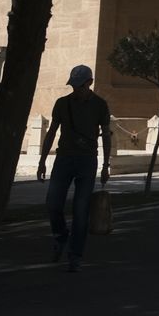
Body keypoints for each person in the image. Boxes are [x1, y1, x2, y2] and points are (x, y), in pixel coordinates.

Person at [37, 64, 113, 273]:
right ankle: (61, 236)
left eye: (80, 85)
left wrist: (106, 165)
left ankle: (75, 254)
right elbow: (52, 131)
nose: (76, 89)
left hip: (87, 161)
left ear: (89, 83)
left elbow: (106, 135)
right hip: (64, 159)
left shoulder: (100, 105)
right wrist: (42, 160)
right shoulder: (62, 104)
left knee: (81, 210)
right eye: (74, 85)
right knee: (53, 203)